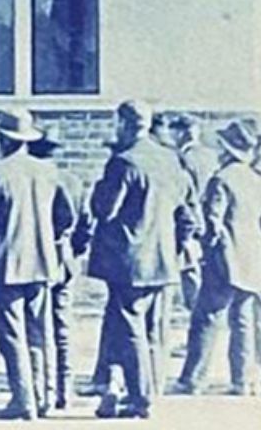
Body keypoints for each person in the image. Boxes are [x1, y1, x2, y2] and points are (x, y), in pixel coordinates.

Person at [87, 100, 198, 420]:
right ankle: (127, 390)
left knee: (129, 329)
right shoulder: (171, 161)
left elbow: (104, 210)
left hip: (127, 262)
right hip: (161, 261)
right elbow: (188, 216)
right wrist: (172, 248)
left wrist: (98, 187)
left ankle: (140, 399)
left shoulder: (123, 162)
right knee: (147, 330)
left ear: (122, 123)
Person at [0, 109, 75, 420]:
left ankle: (23, 399)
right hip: (43, 264)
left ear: (2, 138)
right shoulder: (49, 171)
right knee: (39, 331)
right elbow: (65, 218)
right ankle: (42, 397)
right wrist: (44, 236)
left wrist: (0, 232)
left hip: (5, 264)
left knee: (12, 336)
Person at [172, 119, 261, 395]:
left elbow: (213, 221)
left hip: (224, 258)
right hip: (250, 257)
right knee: (243, 319)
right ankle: (243, 380)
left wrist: (206, 246)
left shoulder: (221, 179)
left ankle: (193, 379)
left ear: (226, 149)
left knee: (206, 317)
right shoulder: (254, 179)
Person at [31, 130, 89, 410]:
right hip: (63, 260)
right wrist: (71, 251)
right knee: (62, 325)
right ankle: (64, 390)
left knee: (37, 326)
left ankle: (42, 389)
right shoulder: (72, 181)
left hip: (35, 260)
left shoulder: (32, 179)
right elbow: (85, 226)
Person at [169, 114, 221, 312]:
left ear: (180, 133)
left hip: (191, 218)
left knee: (190, 269)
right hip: (210, 218)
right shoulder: (211, 156)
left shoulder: (182, 159)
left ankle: (197, 313)